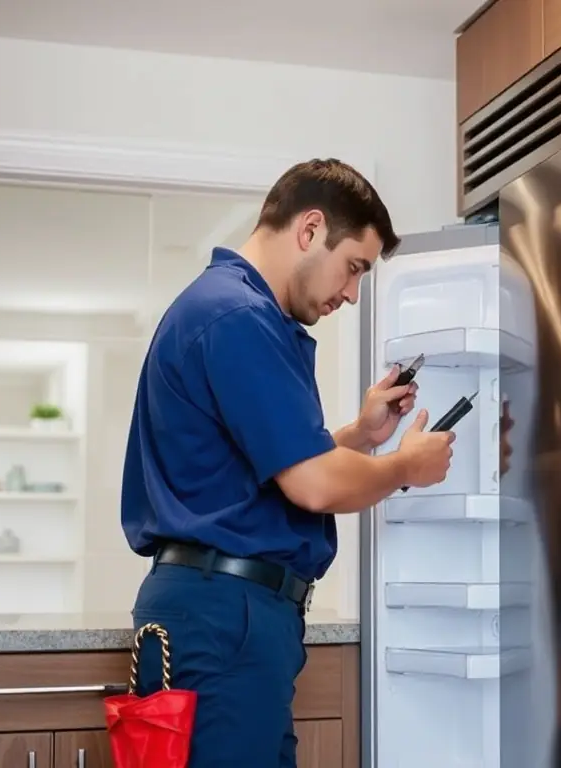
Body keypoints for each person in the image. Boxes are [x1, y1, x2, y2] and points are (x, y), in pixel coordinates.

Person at [120, 158, 455, 767]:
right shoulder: (238, 316)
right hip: (224, 619)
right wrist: (406, 465)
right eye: (353, 267)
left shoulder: (231, 310)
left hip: (227, 616)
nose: (353, 294)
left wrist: (358, 434)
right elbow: (313, 485)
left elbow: (260, 466)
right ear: (310, 229)